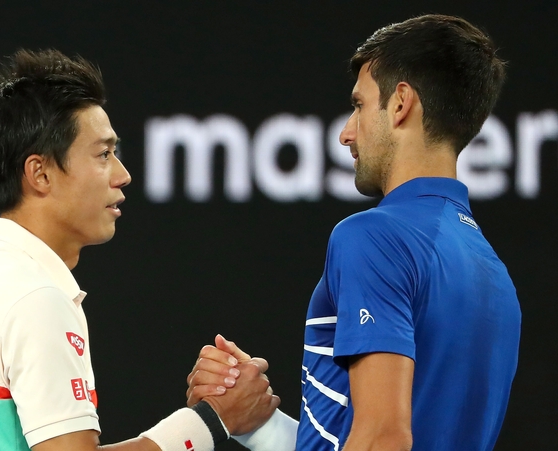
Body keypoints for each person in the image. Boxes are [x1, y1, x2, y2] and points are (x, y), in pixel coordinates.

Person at [0, 49, 279, 451]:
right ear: (41, 173)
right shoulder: (37, 299)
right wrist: (213, 420)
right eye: (104, 154)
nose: (123, 175)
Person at [187, 14, 520, 451]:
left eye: (359, 105)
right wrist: (257, 425)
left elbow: (383, 438)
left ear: (401, 103)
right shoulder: (493, 271)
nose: (346, 133)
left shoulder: (373, 236)